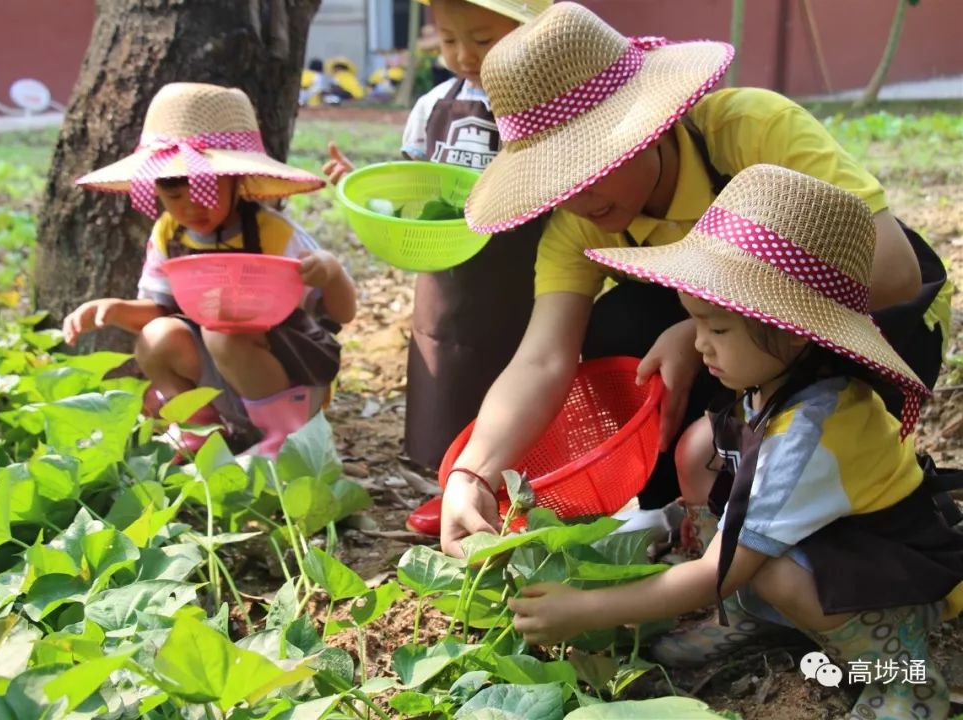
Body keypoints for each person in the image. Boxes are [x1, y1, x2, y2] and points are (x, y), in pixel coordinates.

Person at [440, 2, 949, 556]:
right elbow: (542, 359)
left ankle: (849, 515)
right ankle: (697, 504)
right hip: (751, 354)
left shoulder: (748, 132)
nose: (577, 195)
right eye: (555, 178)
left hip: (872, 330)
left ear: (649, 123)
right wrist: (473, 473)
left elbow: (892, 273)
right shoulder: (578, 227)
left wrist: (708, 324)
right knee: (618, 328)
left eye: (592, 162)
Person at [507, 164, 963, 720]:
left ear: (792, 327)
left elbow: (715, 569)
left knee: (768, 569)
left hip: (894, 564)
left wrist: (588, 609)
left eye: (717, 329)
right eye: (694, 322)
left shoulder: (812, 433)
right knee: (700, 449)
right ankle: (760, 613)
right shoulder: (776, 381)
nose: (700, 344)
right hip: (833, 533)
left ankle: (902, 675)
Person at [323, 0, 552, 535]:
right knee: (445, 370)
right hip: (447, 271)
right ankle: (450, 487)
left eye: (483, 39)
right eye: (449, 41)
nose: (464, 55)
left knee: (518, 365)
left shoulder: (545, 105)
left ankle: (519, 486)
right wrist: (362, 184)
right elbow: (410, 184)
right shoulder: (434, 105)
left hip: (521, 267)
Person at [62, 83, 356, 459]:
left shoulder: (275, 234)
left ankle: (285, 438)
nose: (189, 207)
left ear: (237, 179)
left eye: (204, 189)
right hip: (221, 380)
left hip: (288, 374)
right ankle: (201, 427)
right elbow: (161, 311)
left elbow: (342, 313)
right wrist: (116, 310)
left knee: (223, 334)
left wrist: (331, 272)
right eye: (173, 192)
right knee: (156, 336)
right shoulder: (169, 233)